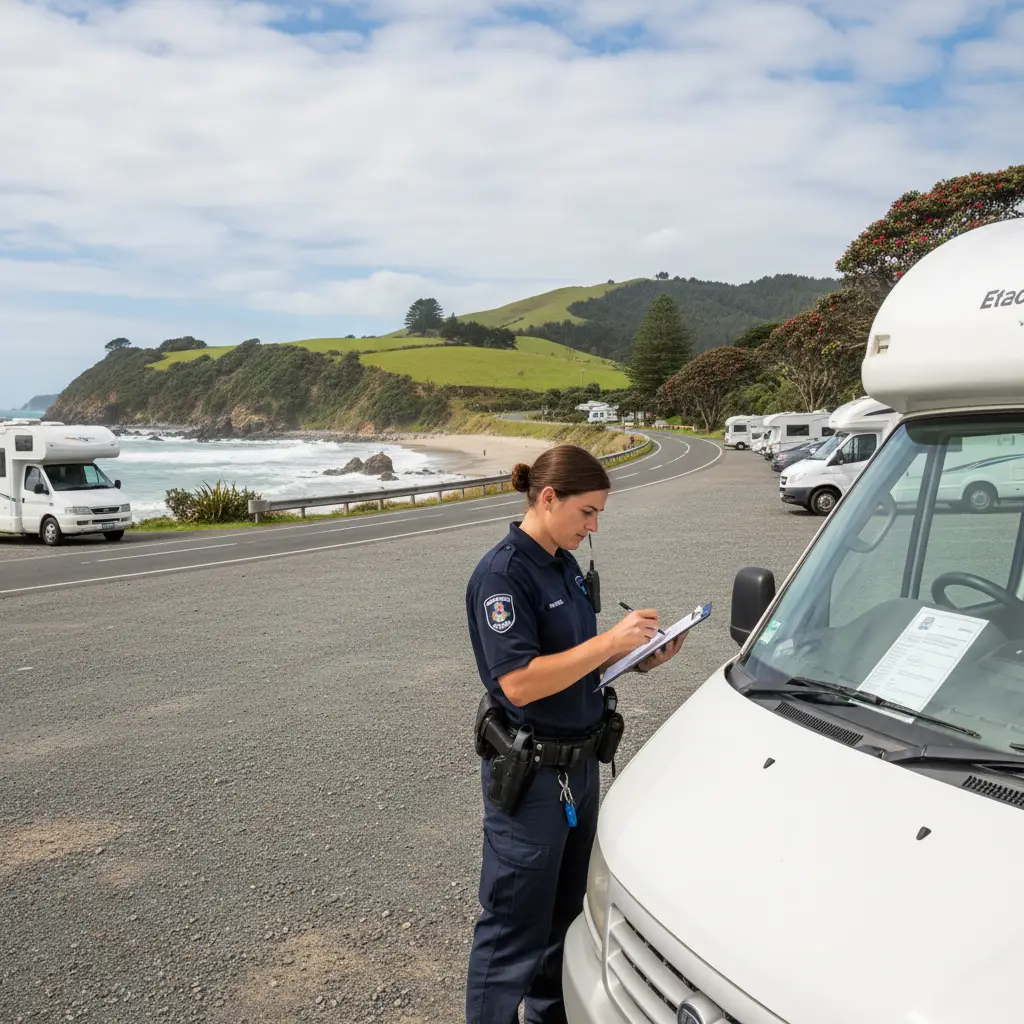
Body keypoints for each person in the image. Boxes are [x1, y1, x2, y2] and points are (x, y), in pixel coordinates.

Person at [464, 443, 685, 1024]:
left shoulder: (562, 563)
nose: (592, 527)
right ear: (547, 498)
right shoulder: (503, 576)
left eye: (598, 516)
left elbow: (575, 660)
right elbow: (517, 684)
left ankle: (547, 1014)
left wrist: (639, 659)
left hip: (580, 768)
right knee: (515, 924)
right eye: (587, 512)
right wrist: (611, 640)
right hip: (533, 776)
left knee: (565, 913)